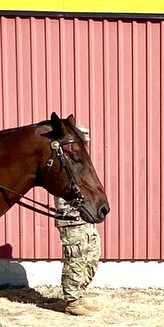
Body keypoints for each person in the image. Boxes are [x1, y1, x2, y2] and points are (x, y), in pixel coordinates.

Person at [55, 125, 101, 316]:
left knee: (92, 256)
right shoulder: (66, 165)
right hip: (71, 219)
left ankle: (79, 293)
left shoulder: (81, 164)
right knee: (75, 259)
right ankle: (72, 301)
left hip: (85, 218)